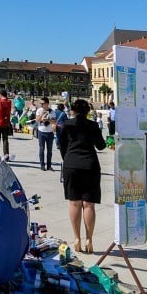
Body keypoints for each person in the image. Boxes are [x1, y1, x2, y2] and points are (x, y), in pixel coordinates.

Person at [58, 98, 107, 254]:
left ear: (73, 110)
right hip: (90, 164)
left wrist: (67, 158)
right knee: (89, 204)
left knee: (74, 203)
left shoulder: (67, 125)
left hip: (71, 163)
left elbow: (61, 145)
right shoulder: (92, 125)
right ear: (87, 111)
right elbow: (101, 145)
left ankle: (77, 238)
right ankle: (89, 240)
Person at [0, 90, 12, 160]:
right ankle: (6, 156)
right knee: (5, 139)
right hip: (5, 122)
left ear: (0, 94)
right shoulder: (9, 102)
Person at [36, 102, 54, 171]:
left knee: (49, 150)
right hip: (41, 132)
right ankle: (42, 165)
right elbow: (37, 120)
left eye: (42, 103)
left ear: (47, 104)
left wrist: (48, 120)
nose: (41, 104)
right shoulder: (39, 110)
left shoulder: (52, 111)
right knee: (41, 149)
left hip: (50, 132)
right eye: (41, 103)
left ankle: (49, 166)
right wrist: (41, 114)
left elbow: (55, 121)